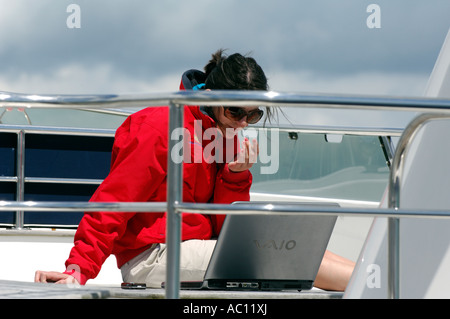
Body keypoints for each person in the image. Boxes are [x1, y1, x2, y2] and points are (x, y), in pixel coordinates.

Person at [35, 49, 354, 291]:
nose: (243, 123)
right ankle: (385, 288)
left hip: (200, 247)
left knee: (309, 249)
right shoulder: (159, 126)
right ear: (211, 97)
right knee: (290, 257)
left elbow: (223, 224)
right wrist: (78, 269)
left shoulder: (226, 132)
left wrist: (235, 176)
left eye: (253, 116)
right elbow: (115, 202)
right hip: (151, 256)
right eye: (236, 112)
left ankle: (386, 279)